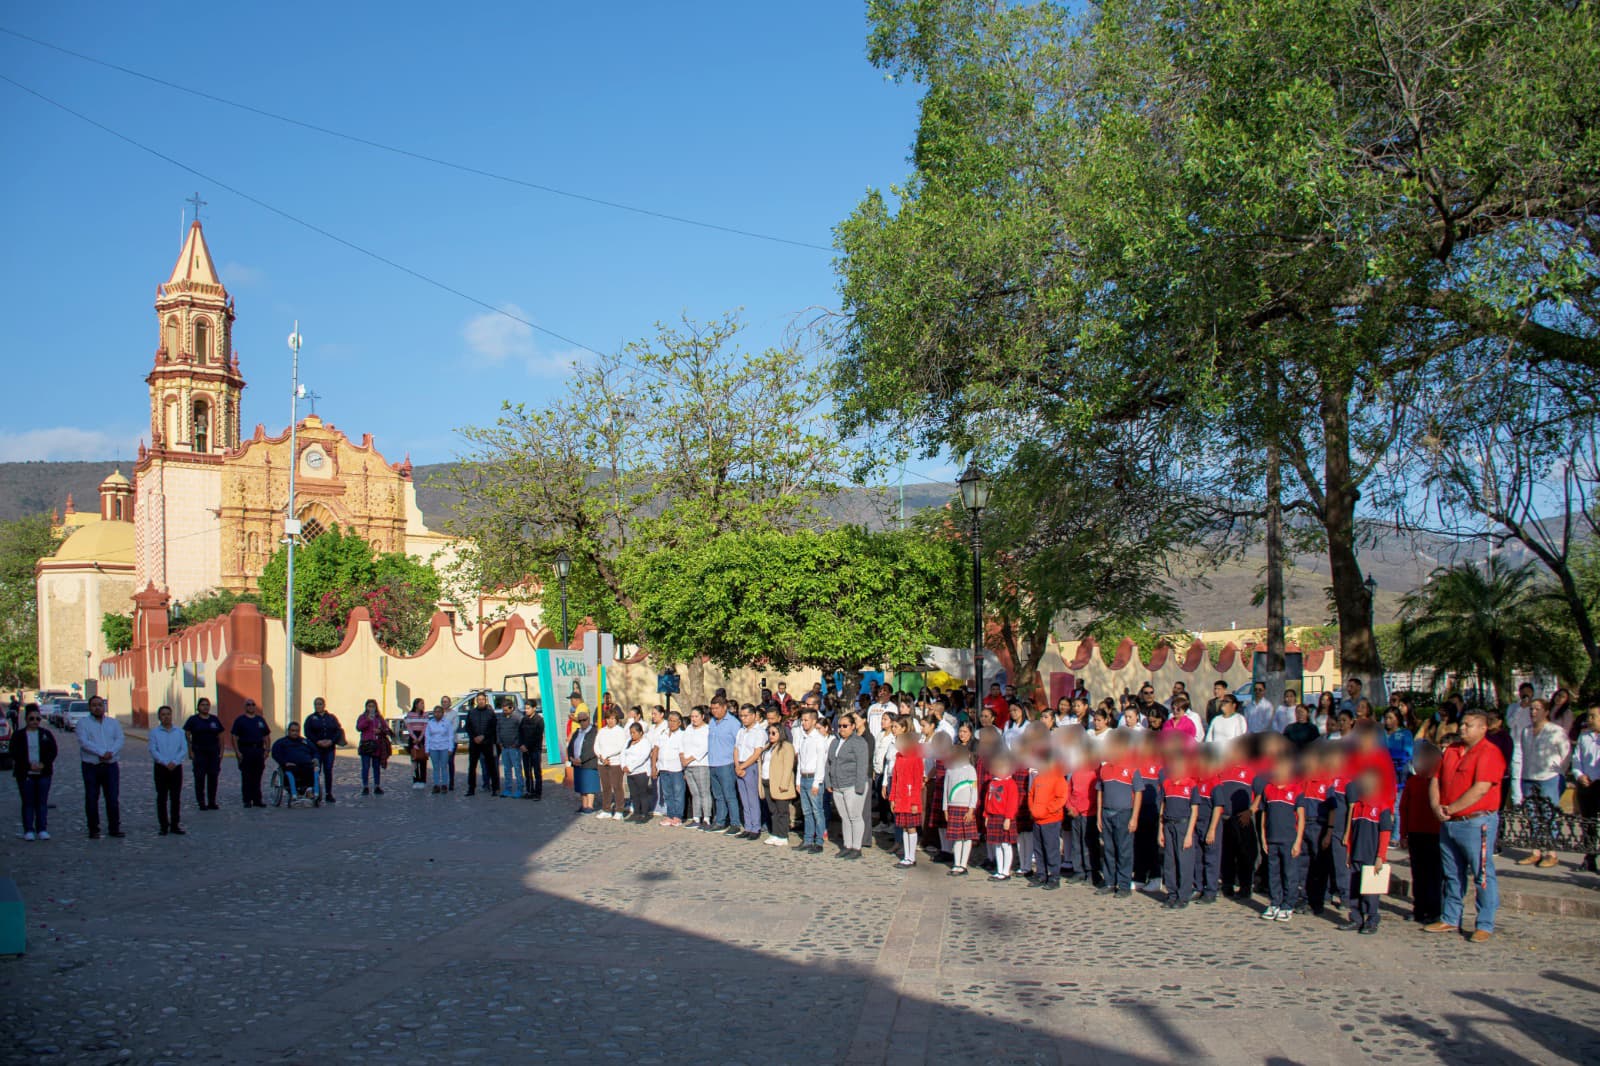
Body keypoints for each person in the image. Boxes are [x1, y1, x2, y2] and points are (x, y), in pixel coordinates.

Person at [1428, 710, 1506, 943]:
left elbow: (1481, 788)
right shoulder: (1451, 750)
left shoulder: (1490, 752)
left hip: (1475, 821)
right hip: (1449, 822)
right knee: (1452, 873)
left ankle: (1484, 923)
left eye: (1468, 725)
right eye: (1462, 724)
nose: (1462, 728)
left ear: (1483, 728)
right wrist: (1436, 806)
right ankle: (1450, 917)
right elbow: (1435, 779)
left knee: (1482, 874)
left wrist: (1452, 808)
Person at [1512, 698, 1571, 868]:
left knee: (1549, 815)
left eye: (1537, 709)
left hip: (1549, 778)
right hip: (1529, 777)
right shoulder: (1526, 731)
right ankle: (1535, 851)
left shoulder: (1555, 731)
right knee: (1532, 815)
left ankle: (1551, 853)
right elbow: (1524, 753)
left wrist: (1560, 772)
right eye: (1531, 709)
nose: (1533, 712)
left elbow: (1565, 754)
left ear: (1546, 711)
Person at [1340, 767, 1393, 934]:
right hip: (1356, 854)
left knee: (1371, 892)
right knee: (1354, 889)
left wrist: (1380, 856)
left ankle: (1371, 919)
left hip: (1371, 857)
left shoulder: (1382, 807)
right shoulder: (1357, 807)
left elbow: (1385, 833)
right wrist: (1349, 852)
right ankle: (1356, 918)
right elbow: (1352, 833)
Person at [1400, 741, 1444, 925]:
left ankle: (1435, 911)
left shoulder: (1440, 782)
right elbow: (1404, 808)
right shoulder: (1413, 781)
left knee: (1435, 875)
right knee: (1418, 874)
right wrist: (1403, 834)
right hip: (1416, 832)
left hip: (1435, 833)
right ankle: (1419, 909)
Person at [1258, 754, 1305, 923]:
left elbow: (1301, 817)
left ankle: (1288, 905)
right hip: (1272, 839)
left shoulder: (1296, 790)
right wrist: (1263, 838)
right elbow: (1264, 815)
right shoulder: (1269, 789)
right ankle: (1275, 902)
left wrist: (1298, 841)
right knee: (1273, 873)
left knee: (1289, 873)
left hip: (1289, 840)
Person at [1157, 750, 1199, 909]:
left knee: (1184, 862)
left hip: (1183, 825)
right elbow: (1163, 807)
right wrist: (1160, 830)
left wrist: (1189, 834)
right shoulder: (1167, 783)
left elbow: (1194, 810)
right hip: (1168, 824)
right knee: (1170, 862)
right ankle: (1171, 894)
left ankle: (1183, 896)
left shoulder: (1190, 784)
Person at [77, 696, 124, 838]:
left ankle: (114, 828)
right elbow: (84, 742)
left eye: (100, 705)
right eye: (94, 705)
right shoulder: (83, 723)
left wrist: (111, 752)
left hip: (110, 766)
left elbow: (120, 739)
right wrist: (102, 752)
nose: (97, 707)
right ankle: (93, 828)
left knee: (112, 798)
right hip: (92, 766)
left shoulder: (113, 723)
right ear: (89, 707)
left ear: (104, 707)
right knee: (92, 798)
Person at [9, 703, 58, 840]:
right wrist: (28, 765)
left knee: (42, 802)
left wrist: (44, 764)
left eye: (38, 719)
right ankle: (28, 829)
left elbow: (53, 751)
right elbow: (14, 752)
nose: (35, 721)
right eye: (32, 719)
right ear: (26, 719)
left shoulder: (46, 734)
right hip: (25, 774)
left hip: (43, 773)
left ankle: (42, 828)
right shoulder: (18, 735)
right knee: (28, 802)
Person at [828, 712, 872, 859]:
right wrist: (829, 782)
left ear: (853, 726)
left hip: (852, 784)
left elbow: (862, 765)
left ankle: (856, 847)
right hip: (837, 785)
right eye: (840, 726)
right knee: (845, 817)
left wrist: (859, 787)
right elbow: (829, 762)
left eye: (845, 726)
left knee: (855, 816)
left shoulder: (859, 742)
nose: (842, 729)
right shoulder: (835, 742)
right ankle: (847, 845)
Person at [1028, 751, 1067, 890]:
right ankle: (1041, 874)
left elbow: (1061, 798)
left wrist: (1047, 810)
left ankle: (1054, 877)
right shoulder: (1039, 777)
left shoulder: (1058, 777)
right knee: (1038, 849)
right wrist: (1032, 809)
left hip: (1051, 819)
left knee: (1051, 849)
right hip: (1037, 819)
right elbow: (1031, 793)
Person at [793, 709, 830, 853]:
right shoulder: (803, 738)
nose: (803, 723)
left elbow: (821, 763)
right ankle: (808, 839)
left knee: (817, 811)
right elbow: (800, 760)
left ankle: (819, 841)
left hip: (814, 778)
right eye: (802, 720)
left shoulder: (819, 740)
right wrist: (798, 780)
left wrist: (817, 782)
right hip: (803, 777)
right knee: (806, 811)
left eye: (806, 720)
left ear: (814, 721)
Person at [705, 697, 743, 833]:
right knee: (718, 795)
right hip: (713, 763)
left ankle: (735, 823)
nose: (714, 711)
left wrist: (737, 764)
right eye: (712, 708)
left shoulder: (733, 723)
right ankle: (720, 821)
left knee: (730, 795)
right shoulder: (712, 722)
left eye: (717, 708)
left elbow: (738, 745)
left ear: (724, 707)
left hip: (727, 764)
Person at [148, 705, 188, 836]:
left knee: (175, 797)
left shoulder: (179, 732)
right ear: (159, 717)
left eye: (168, 714)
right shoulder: (154, 733)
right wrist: (165, 762)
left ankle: (175, 824)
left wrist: (175, 762)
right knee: (162, 797)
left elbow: (183, 749)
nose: (166, 717)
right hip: (161, 768)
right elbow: (153, 750)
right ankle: (163, 825)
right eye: (163, 714)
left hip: (176, 768)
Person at [889, 727, 925, 867]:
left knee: (911, 827)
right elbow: (896, 779)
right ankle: (906, 855)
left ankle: (911, 857)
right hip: (900, 798)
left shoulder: (916, 758)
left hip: (910, 798)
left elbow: (917, 782)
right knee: (904, 826)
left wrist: (915, 802)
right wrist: (892, 798)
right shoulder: (898, 757)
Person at [984, 750, 1021, 881]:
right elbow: (987, 800)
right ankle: (999, 870)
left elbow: (1012, 803)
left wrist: (1008, 818)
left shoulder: (1011, 784)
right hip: (993, 816)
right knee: (997, 845)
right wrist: (986, 815)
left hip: (1004, 817)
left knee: (1006, 844)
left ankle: (1006, 871)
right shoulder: (992, 783)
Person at [182, 697, 225, 811]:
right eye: (203, 705)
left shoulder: (214, 720)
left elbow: (221, 736)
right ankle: (201, 802)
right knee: (200, 778)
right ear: (198, 707)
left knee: (213, 777)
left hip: (213, 753)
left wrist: (221, 752)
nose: (205, 707)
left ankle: (212, 802)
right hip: (199, 752)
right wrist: (190, 749)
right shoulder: (193, 720)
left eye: (207, 704)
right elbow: (187, 733)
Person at [733, 704, 766, 840]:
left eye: (746, 716)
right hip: (739, 764)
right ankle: (747, 826)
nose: (743, 718)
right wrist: (737, 765)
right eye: (741, 716)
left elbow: (757, 752)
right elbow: (736, 749)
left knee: (752, 798)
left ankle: (755, 827)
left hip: (750, 765)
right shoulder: (741, 731)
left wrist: (743, 766)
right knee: (744, 798)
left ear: (753, 716)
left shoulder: (759, 732)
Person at [761, 721, 797, 846]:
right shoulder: (768, 746)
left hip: (779, 783)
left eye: (773, 733)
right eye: (769, 733)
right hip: (767, 781)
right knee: (773, 811)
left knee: (782, 811)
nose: (771, 735)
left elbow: (788, 767)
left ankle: (783, 835)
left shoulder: (786, 746)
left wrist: (784, 783)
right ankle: (775, 833)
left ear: (780, 733)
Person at [230, 699, 272, 807]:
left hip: (258, 750)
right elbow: (234, 737)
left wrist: (267, 749)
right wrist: (237, 752)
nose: (251, 706)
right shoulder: (240, 720)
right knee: (246, 776)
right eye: (248, 705)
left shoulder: (260, 720)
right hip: (246, 750)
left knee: (258, 776)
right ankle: (247, 800)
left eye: (253, 704)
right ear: (245, 707)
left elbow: (266, 736)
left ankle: (257, 800)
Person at [303, 698, 344, 803]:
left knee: (328, 770)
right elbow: (307, 733)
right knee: (316, 770)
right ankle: (315, 792)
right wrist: (317, 741)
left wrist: (331, 741)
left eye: (320, 704)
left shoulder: (331, 718)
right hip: (316, 749)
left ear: (324, 705)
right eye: (316, 704)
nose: (318, 706)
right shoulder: (311, 718)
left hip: (329, 749)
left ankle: (328, 793)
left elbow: (338, 731)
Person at [1575, 707, 1600, 874]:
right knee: (1588, 823)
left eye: (1593, 716)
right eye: (1588, 715)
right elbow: (1577, 759)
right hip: (1587, 785)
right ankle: (1589, 858)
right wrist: (1579, 775)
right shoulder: (1584, 737)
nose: (1589, 719)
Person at [271, 721, 320, 798]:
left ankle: (309, 790)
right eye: (293, 731)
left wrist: (315, 758)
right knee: (292, 770)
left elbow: (315, 751)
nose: (295, 733)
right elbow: (275, 753)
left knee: (312, 769)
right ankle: (294, 792)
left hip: (306, 765)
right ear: (288, 731)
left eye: (297, 731)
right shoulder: (281, 742)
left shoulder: (305, 742)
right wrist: (284, 762)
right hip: (290, 765)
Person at [594, 707, 628, 817]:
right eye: (608, 718)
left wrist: (607, 756)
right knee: (606, 787)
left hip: (615, 762)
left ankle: (619, 810)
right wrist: (601, 756)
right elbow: (596, 745)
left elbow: (620, 746)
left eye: (613, 718)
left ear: (616, 719)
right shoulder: (602, 731)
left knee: (617, 786)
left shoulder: (620, 731)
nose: (610, 721)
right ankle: (606, 809)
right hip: (602, 763)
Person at [463, 693, 499, 797]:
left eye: (483, 699)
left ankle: (495, 788)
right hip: (474, 743)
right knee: (472, 766)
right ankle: (471, 788)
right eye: (479, 699)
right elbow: (468, 727)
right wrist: (474, 737)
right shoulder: (471, 712)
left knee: (491, 766)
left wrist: (483, 736)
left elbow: (493, 727)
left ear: (486, 700)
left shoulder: (490, 713)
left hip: (487, 742)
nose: (481, 701)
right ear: (476, 701)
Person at [354, 698, 392, 796]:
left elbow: (387, 729)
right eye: (369, 706)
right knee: (365, 766)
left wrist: (380, 731)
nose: (371, 708)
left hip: (377, 744)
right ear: (366, 707)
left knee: (376, 766)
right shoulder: (362, 717)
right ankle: (365, 786)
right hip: (366, 744)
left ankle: (377, 785)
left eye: (373, 706)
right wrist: (367, 720)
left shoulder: (379, 717)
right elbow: (359, 728)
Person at [568, 710, 600, 814]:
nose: (582, 722)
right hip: (577, 763)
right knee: (582, 786)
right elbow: (571, 746)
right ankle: (584, 805)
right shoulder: (577, 732)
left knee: (590, 786)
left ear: (588, 719)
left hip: (589, 763)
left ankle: (590, 806)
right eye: (580, 720)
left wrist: (581, 759)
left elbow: (592, 749)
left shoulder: (594, 732)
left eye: (584, 720)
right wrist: (571, 758)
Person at [497, 699, 528, 800]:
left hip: (514, 748)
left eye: (506, 710)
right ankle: (508, 789)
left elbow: (523, 731)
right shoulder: (501, 717)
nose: (504, 712)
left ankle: (520, 789)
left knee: (517, 769)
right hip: (505, 748)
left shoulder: (518, 717)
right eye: (503, 710)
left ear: (511, 708)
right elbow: (498, 729)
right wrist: (499, 742)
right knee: (507, 769)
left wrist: (517, 743)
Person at [424, 703, 456, 795]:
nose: (437, 714)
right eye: (435, 712)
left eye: (439, 712)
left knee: (444, 766)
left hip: (444, 747)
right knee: (435, 767)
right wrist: (427, 749)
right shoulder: (430, 723)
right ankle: (436, 784)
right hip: (433, 747)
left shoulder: (447, 723)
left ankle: (445, 784)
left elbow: (450, 736)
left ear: (442, 713)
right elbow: (427, 737)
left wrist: (451, 748)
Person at [519, 700, 546, 800]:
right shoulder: (524, 719)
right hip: (525, 750)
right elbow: (520, 732)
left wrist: (527, 745)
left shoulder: (539, 720)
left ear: (534, 708)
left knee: (537, 772)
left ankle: (537, 793)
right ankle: (529, 791)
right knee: (527, 771)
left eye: (528, 708)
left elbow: (537, 736)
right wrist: (521, 744)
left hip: (534, 749)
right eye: (525, 708)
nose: (526, 710)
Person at [403, 698, 430, 789]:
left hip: (422, 737)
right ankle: (415, 780)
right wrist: (414, 738)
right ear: (416, 704)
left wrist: (420, 738)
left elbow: (425, 727)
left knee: (422, 760)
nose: (423, 705)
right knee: (414, 760)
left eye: (423, 703)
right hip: (413, 737)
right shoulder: (410, 715)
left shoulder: (425, 715)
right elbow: (409, 727)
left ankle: (423, 780)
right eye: (421, 703)